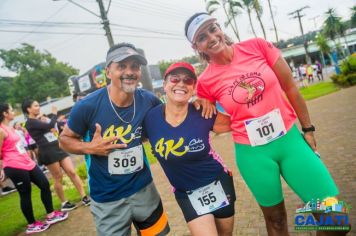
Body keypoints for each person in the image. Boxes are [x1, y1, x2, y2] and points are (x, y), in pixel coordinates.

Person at [184, 13, 347, 236]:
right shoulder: (205, 82)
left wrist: (308, 129)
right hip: (253, 155)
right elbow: (210, 120)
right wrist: (194, 103)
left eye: (213, 29)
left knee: (335, 218)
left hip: (290, 142)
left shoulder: (257, 47)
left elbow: (290, 87)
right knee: (276, 221)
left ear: (220, 28)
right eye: (203, 37)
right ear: (196, 46)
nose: (211, 37)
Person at [58, 43, 171, 236]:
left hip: (144, 190)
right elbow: (64, 140)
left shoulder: (148, 100)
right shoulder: (87, 106)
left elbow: (160, 127)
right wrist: (90, 147)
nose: (130, 72)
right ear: (108, 71)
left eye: (134, 66)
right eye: (122, 66)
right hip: (108, 200)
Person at [143, 62, 236, 236]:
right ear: (165, 84)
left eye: (188, 80)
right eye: (175, 79)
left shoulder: (203, 112)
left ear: (193, 88)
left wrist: (210, 100)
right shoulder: (150, 118)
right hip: (186, 193)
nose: (180, 84)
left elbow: (238, 120)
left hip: (218, 182)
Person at [0, 103, 68, 234]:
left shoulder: (11, 128)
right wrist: (2, 168)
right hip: (14, 165)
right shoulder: (1, 130)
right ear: (5, 113)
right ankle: (32, 224)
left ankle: (51, 215)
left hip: (27, 162)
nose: (13, 111)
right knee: (25, 193)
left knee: (44, 184)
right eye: (11, 109)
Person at [22, 101, 90, 211]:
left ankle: (84, 197)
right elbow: (50, 125)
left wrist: (48, 119)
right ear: (28, 109)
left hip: (58, 147)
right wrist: (54, 114)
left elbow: (55, 126)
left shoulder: (39, 120)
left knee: (72, 172)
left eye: (38, 105)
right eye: (35, 105)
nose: (38, 107)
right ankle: (64, 203)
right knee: (58, 177)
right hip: (47, 151)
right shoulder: (29, 122)